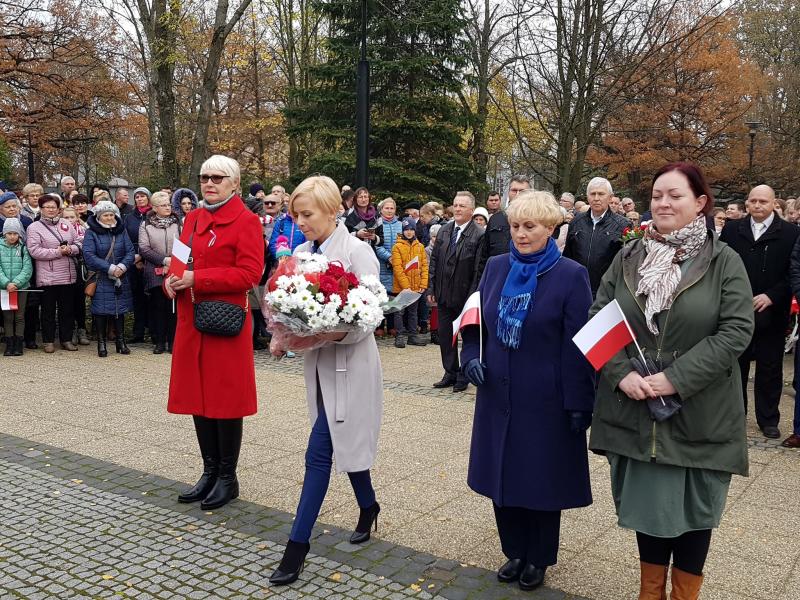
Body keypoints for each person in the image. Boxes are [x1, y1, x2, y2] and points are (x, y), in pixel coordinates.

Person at [589, 162, 753, 600]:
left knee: (696, 513)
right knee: (649, 509)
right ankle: (649, 593)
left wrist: (675, 379)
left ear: (699, 203)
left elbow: (736, 331)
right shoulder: (629, 257)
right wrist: (621, 375)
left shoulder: (724, 261)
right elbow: (598, 318)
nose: (663, 202)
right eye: (657, 194)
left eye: (674, 195)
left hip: (701, 415)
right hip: (636, 410)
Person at [461, 191, 594, 592]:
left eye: (530, 227)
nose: (520, 234)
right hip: (497, 394)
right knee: (501, 476)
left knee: (540, 481)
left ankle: (538, 557)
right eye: (516, 226)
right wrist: (470, 357)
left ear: (551, 229)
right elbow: (475, 322)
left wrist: (579, 403)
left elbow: (578, 344)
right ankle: (514, 550)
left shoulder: (571, 275)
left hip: (545, 399)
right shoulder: (497, 267)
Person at [268, 175, 383, 586]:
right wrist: (283, 336)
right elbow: (288, 306)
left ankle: (296, 547)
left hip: (351, 365)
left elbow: (371, 316)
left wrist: (335, 331)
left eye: (307, 214)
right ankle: (369, 506)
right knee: (342, 442)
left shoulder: (357, 251)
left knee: (320, 451)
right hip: (318, 365)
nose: (299, 222)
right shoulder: (299, 252)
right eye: (296, 214)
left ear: (333, 211)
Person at [164, 155, 264, 511]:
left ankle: (227, 477)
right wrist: (171, 282)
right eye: (205, 177)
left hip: (225, 322)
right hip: (192, 320)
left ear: (235, 184)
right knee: (197, 397)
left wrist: (199, 279)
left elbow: (250, 274)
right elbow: (178, 262)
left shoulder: (247, 221)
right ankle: (208, 472)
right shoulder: (192, 218)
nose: (209, 183)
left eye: (218, 178)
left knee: (224, 400)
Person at [719, 184, 799, 439]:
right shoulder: (733, 229)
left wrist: (772, 296)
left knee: (769, 366)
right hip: (737, 309)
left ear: (774, 203)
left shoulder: (789, 232)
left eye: (763, 201)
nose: (757, 206)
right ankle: (734, 415)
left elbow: (792, 272)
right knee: (736, 365)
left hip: (771, 311)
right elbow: (720, 263)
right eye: (753, 201)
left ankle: (768, 419)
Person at [427, 191, 484, 392]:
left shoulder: (479, 234)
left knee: (467, 336)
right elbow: (434, 261)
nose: (458, 209)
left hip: (464, 295)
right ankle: (450, 372)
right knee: (445, 335)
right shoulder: (444, 230)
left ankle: (463, 375)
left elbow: (478, 270)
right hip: (443, 294)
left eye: (462, 206)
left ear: (471, 210)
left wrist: (472, 297)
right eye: (455, 205)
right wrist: (431, 287)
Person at [25, 194, 82, 353]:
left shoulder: (66, 224)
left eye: (54, 207)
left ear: (59, 209)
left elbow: (78, 242)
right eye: (47, 207)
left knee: (67, 310)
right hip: (47, 277)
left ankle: (66, 339)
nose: (51, 210)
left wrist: (70, 249)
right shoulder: (34, 227)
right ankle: (48, 341)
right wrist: (58, 252)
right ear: (41, 209)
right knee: (48, 311)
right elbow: (35, 251)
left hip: (68, 274)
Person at [83, 201, 136, 356]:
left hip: (121, 275)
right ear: (99, 216)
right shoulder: (91, 232)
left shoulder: (121, 230)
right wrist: (110, 268)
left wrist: (122, 267)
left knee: (120, 310)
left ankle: (121, 341)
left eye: (111, 215)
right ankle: (101, 343)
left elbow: (130, 251)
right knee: (100, 311)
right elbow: (89, 255)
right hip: (102, 277)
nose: (109, 218)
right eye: (105, 215)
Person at [562, 177, 630, 298]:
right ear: (588, 197)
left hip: (606, 293)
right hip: (577, 289)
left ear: (610, 197)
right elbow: (568, 257)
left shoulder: (623, 225)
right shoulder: (576, 222)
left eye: (601, 194)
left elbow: (627, 264)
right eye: (593, 194)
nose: (596, 198)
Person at [138, 192, 181, 354]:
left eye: (169, 205)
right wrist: (163, 261)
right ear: (155, 208)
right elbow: (144, 248)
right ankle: (160, 341)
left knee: (173, 307)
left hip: (175, 269)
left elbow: (184, 244)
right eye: (163, 205)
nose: (168, 207)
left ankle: (173, 341)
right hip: (154, 270)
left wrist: (172, 264)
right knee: (158, 306)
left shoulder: (177, 223)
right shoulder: (146, 224)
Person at [476, 175, 532, 281]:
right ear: (508, 193)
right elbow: (483, 257)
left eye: (522, 191)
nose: (518, 194)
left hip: (526, 280)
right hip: (497, 279)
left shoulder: (539, 221)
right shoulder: (495, 219)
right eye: (514, 190)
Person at [390, 218, 428, 348]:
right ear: (403, 231)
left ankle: (413, 336)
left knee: (413, 312)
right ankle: (399, 336)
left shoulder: (420, 246)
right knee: (399, 311)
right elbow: (398, 268)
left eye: (411, 229)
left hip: (416, 287)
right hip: (401, 288)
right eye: (406, 230)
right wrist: (406, 287)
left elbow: (424, 266)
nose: (409, 232)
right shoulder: (397, 247)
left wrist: (423, 285)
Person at [0, 218, 33, 356]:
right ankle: (9, 343)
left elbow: (28, 268)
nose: (12, 236)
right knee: (8, 317)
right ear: (4, 234)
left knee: (20, 316)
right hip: (4, 288)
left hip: (21, 288)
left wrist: (17, 283)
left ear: (19, 234)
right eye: (9, 234)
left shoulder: (23, 248)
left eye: (15, 233)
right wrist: (6, 283)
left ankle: (19, 343)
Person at [124, 187, 152, 343]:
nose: (140, 199)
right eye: (137, 197)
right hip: (133, 261)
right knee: (137, 297)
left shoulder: (153, 216)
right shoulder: (129, 217)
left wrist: (143, 256)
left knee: (152, 297)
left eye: (143, 196)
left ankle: (154, 331)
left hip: (151, 260)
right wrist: (135, 257)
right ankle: (138, 332)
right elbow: (125, 237)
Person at [61, 207, 90, 346]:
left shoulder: (84, 231)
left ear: (77, 218)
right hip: (63, 269)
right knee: (67, 302)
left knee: (80, 301)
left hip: (80, 268)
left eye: (71, 217)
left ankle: (81, 329)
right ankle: (70, 330)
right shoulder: (58, 230)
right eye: (66, 217)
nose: (69, 220)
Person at [374, 198, 402, 297]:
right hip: (382, 267)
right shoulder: (377, 224)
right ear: (381, 210)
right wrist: (389, 257)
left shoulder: (400, 225)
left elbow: (403, 243)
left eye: (392, 208)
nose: (389, 211)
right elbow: (376, 245)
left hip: (398, 266)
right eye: (387, 208)